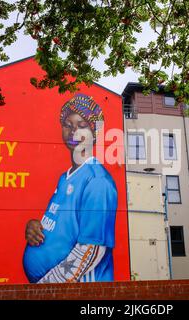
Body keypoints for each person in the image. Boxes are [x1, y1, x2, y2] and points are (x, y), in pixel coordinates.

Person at [23, 93, 117, 283]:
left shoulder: (98, 181)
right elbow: (62, 226)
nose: (74, 131)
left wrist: (47, 287)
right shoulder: (64, 178)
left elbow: (91, 249)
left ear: (95, 133)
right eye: (68, 124)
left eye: (82, 126)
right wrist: (35, 226)